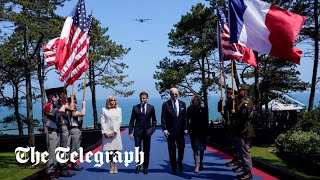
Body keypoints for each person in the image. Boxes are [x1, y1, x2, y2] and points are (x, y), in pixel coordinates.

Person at [161, 87, 188, 175]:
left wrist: (186, 128)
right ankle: (173, 167)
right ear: (170, 94)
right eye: (172, 94)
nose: (174, 95)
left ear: (178, 94)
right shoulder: (165, 104)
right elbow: (163, 118)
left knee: (181, 149)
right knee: (172, 150)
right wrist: (165, 129)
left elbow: (185, 118)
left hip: (180, 132)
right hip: (170, 131)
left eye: (176, 94)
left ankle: (179, 163)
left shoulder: (183, 104)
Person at [44, 87, 69, 179]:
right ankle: (49, 173)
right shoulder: (48, 106)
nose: (55, 96)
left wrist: (63, 97)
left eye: (56, 95)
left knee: (56, 153)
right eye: (53, 95)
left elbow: (62, 104)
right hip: (52, 133)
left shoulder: (54, 105)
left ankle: (53, 171)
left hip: (56, 132)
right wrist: (61, 102)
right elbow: (61, 109)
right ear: (49, 96)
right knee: (52, 154)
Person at [129, 92, 157, 174]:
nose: (142, 100)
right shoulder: (135, 108)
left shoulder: (151, 107)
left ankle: (145, 167)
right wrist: (131, 132)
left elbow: (154, 120)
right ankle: (138, 166)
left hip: (147, 132)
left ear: (147, 98)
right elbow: (131, 121)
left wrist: (153, 129)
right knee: (138, 150)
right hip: (137, 132)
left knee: (146, 150)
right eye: (141, 98)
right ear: (139, 98)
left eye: (144, 98)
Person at [233, 84, 255, 180]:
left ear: (245, 92)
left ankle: (248, 172)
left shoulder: (246, 102)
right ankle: (245, 170)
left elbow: (243, 116)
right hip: (241, 129)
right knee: (241, 151)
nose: (238, 92)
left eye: (240, 91)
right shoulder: (241, 101)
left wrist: (235, 113)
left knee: (245, 151)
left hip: (245, 129)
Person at [218, 88, 240, 168]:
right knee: (232, 144)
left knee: (236, 144)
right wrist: (220, 102)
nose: (227, 95)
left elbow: (236, 113)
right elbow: (221, 110)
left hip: (235, 126)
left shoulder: (236, 102)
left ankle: (238, 160)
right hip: (229, 125)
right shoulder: (229, 102)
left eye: (228, 94)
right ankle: (235, 158)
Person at [101, 96, 123, 174]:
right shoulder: (104, 110)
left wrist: (114, 131)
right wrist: (105, 132)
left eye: (114, 100)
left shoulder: (119, 110)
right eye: (111, 100)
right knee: (109, 151)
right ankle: (110, 166)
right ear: (108, 101)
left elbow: (119, 121)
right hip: (107, 133)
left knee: (116, 150)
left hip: (116, 133)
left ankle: (116, 165)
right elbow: (103, 122)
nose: (113, 101)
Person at [187, 95, 208, 174]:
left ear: (199, 101)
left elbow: (206, 121)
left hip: (202, 132)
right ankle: (196, 164)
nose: (196, 101)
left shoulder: (204, 109)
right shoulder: (189, 109)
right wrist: (186, 129)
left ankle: (201, 163)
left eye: (197, 100)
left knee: (202, 149)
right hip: (193, 131)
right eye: (194, 100)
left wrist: (207, 132)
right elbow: (187, 119)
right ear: (192, 101)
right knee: (195, 148)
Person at [68, 95, 86, 171]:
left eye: (75, 102)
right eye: (74, 102)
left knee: (76, 147)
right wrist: (84, 106)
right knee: (74, 148)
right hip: (74, 130)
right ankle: (73, 164)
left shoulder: (73, 110)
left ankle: (73, 163)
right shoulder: (71, 110)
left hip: (77, 129)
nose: (75, 103)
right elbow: (82, 113)